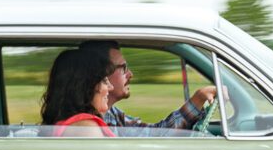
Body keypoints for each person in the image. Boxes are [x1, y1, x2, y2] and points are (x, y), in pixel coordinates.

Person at [79, 40, 218, 135]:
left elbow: (155, 135)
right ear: (100, 74)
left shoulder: (112, 114)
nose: (130, 74)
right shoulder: (86, 127)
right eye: (123, 68)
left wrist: (198, 99)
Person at [40, 48, 116, 137]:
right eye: (104, 81)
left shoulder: (71, 123)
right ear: (86, 85)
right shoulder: (86, 129)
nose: (111, 87)